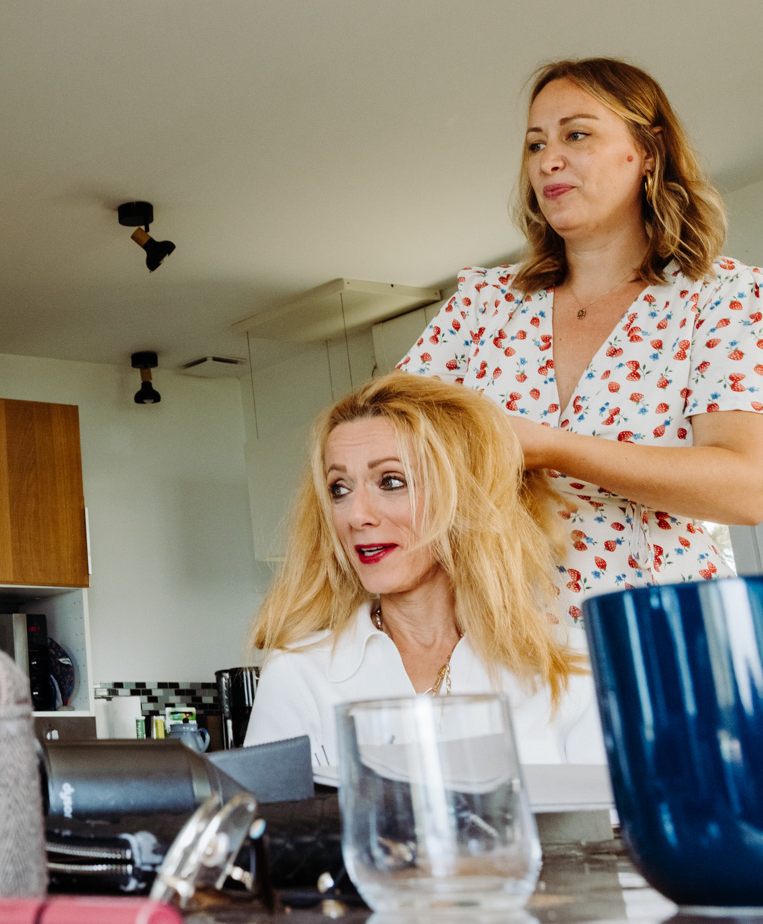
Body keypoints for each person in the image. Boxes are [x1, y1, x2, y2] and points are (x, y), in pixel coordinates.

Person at [399, 58, 763, 623]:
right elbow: (387, 443)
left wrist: (553, 449)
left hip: (666, 633)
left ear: (646, 151)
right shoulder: (482, 303)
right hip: (499, 637)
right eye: (534, 145)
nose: (549, 160)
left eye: (577, 134)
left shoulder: (721, 297)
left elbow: (747, 488)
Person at [244, 373, 603, 768]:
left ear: (463, 497)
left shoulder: (571, 666)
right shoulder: (299, 674)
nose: (357, 515)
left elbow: (613, 828)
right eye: (339, 489)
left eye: (391, 481)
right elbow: (273, 826)